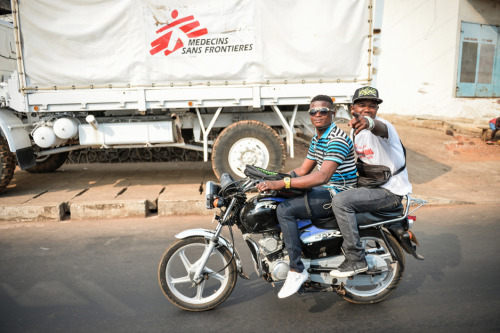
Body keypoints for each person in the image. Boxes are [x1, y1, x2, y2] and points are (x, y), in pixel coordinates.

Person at [255, 94, 357, 298]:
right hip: (327, 188)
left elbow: (322, 176)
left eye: (323, 111)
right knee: (278, 199)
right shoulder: (318, 137)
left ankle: (296, 269)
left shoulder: (336, 138)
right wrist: (272, 179)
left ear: (332, 114)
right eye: (313, 111)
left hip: (338, 193)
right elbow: (302, 170)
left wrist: (281, 183)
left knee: (286, 210)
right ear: (309, 114)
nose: (318, 114)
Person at [329, 86, 412, 278]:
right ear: (352, 108)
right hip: (373, 186)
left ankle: (356, 259)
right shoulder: (355, 132)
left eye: (372, 106)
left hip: (390, 191)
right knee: (329, 193)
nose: (367, 109)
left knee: (341, 202)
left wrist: (368, 122)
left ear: (376, 110)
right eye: (362, 105)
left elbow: (378, 128)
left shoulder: (384, 126)